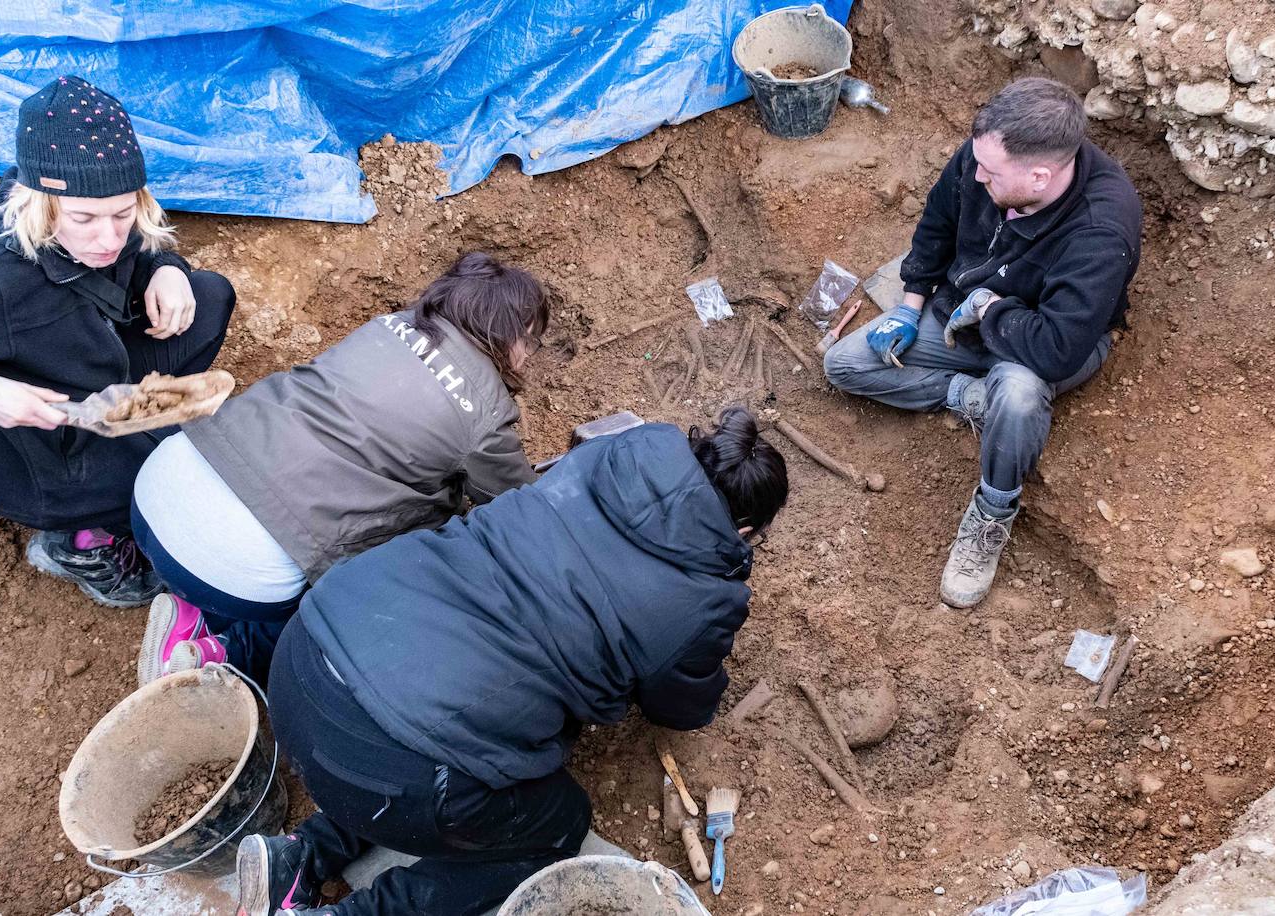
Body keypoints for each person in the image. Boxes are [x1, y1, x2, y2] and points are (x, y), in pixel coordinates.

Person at [228, 407, 787, 916]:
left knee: (406, 726)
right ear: (742, 531)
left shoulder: (612, 455)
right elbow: (680, 706)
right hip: (389, 764)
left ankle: (298, 856)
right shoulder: (706, 600)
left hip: (310, 650)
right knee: (556, 823)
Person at [132, 252, 548, 687]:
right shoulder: (487, 413)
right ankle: (217, 653)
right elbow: (518, 513)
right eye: (530, 341)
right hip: (234, 571)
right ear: (511, 335)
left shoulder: (389, 326)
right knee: (345, 604)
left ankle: (190, 604)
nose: (528, 356)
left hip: (159, 487)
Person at [0, 75, 235, 607]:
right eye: (83, 219)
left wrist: (165, 266)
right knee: (178, 469)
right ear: (41, 204)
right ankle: (75, 540)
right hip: (41, 449)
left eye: (124, 214)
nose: (109, 239)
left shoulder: (106, 216)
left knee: (207, 295)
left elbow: (136, 243)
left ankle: (130, 430)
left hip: (94, 364)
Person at [823, 77, 1142, 609]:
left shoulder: (1100, 229)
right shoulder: (987, 154)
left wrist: (991, 308)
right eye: (977, 163)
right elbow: (935, 227)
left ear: (1039, 176)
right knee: (847, 364)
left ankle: (991, 515)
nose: (976, 176)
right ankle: (968, 397)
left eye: (990, 174)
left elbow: (1057, 349)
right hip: (959, 313)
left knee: (1016, 396)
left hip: (1040, 344)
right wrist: (909, 306)